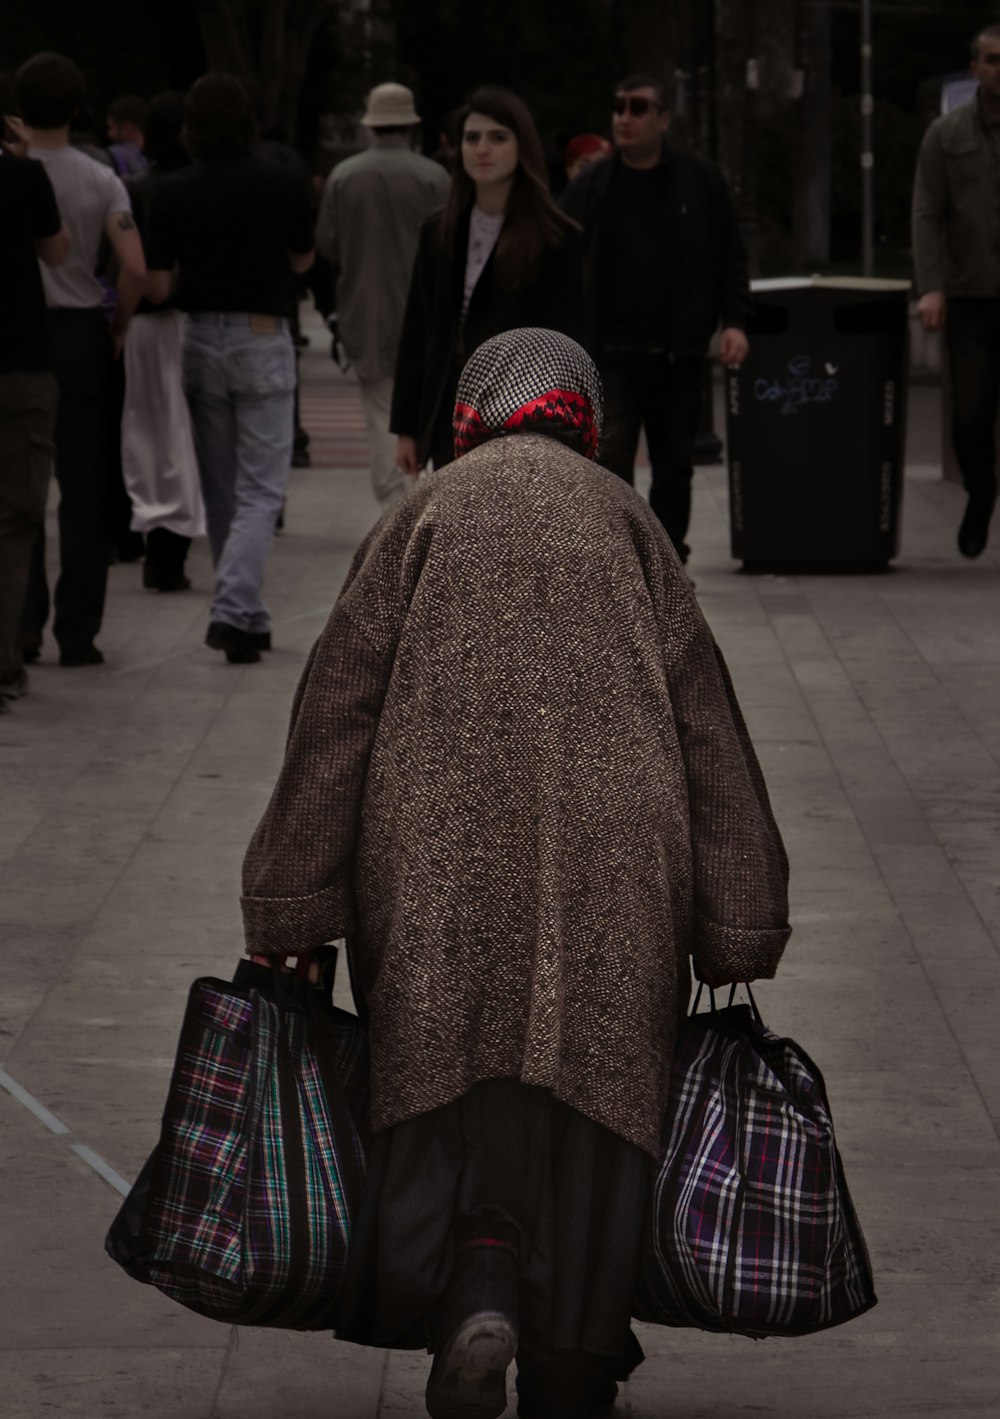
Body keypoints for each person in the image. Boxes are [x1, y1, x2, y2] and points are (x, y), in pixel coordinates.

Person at [241, 327, 791, 1419]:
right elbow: (706, 726)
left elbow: (338, 712)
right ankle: (575, 1358)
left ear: (467, 416)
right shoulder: (631, 526)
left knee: (450, 1076)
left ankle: (475, 1286)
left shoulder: (418, 516)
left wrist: (293, 897)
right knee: (598, 1105)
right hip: (618, 858)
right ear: (588, 420)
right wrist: (742, 915)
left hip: (435, 853)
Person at [145, 73, 315, 665]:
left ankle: (246, 612)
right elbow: (302, 258)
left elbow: (160, 282)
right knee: (262, 487)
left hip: (199, 335)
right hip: (262, 334)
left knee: (220, 486)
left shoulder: (169, 190)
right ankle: (233, 609)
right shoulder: (284, 182)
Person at [562, 74, 751, 565]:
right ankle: (621, 564)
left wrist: (734, 321)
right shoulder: (592, 186)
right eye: (619, 107)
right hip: (610, 356)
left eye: (639, 107)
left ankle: (668, 564)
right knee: (609, 463)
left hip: (676, 354)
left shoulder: (698, 180)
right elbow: (561, 262)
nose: (625, 117)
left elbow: (729, 257)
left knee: (673, 467)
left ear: (663, 119)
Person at [14, 51, 146, 668]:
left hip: (18, 336)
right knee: (84, 489)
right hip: (80, 334)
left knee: (20, 490)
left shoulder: (12, 171)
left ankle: (22, 622)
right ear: (76, 108)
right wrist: (117, 324)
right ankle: (78, 630)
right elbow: (136, 267)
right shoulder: (100, 178)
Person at [391, 86, 585, 476]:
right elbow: (418, 333)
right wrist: (407, 429)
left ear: (521, 147)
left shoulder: (557, 239)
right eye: (472, 138)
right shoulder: (437, 232)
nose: (482, 149)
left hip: (524, 421)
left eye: (498, 138)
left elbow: (567, 343)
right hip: (449, 414)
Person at [316, 83, 449, 505]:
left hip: (365, 312)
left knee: (380, 418)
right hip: (429, 313)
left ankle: (396, 510)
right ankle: (427, 502)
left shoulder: (344, 176)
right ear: (410, 124)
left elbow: (327, 245)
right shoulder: (434, 176)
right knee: (430, 410)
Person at [913, 21, 1000, 558]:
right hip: (971, 296)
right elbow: (927, 213)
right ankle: (982, 490)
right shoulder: (946, 135)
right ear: (976, 69)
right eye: (992, 60)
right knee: (969, 419)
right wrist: (932, 287)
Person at [121, 91, 204, 593]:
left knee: (145, 433)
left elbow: (133, 271)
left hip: (143, 324)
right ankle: (172, 549)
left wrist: (118, 322)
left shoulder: (135, 187)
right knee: (182, 436)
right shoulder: (196, 186)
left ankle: (146, 538)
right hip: (189, 320)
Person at [0, 127, 70, 709]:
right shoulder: (23, 177)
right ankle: (3, 663)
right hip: (19, 364)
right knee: (14, 520)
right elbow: (57, 250)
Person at [106, 94, 148, 178]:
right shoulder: (147, 161)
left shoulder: (114, 154)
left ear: (127, 128)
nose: (109, 134)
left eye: (112, 128)